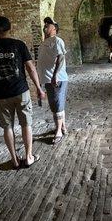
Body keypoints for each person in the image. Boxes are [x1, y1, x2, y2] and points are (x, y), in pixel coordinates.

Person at [0, 16, 46, 169]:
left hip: (1, 95)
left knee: (7, 127)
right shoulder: (19, 45)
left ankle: (15, 160)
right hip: (21, 91)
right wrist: (38, 87)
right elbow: (30, 67)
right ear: (10, 28)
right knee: (26, 124)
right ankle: (29, 157)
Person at [37, 17, 68, 145]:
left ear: (54, 28)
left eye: (48, 24)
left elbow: (61, 57)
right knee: (57, 104)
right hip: (49, 79)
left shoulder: (57, 40)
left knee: (56, 106)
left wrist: (55, 75)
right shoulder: (44, 43)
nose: (45, 26)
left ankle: (58, 132)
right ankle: (63, 127)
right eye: (45, 24)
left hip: (56, 79)